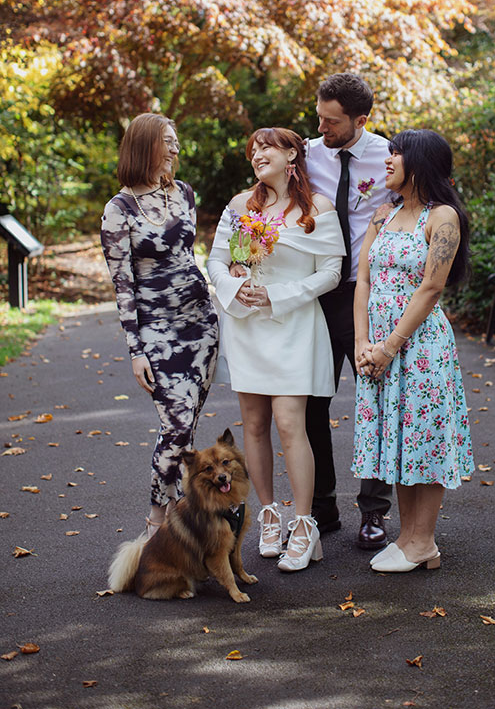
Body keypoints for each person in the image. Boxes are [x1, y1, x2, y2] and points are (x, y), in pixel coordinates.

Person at [207, 128, 344, 573]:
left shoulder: (317, 209)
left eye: (266, 148)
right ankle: (269, 515)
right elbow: (217, 261)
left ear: (291, 154)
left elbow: (331, 272)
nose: (257, 155)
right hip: (248, 326)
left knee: (290, 423)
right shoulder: (239, 206)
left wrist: (279, 296)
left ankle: (305, 527)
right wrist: (236, 285)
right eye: (252, 150)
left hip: (294, 324)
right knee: (253, 423)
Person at [352, 128, 475, 573]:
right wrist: (362, 342)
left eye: (397, 153)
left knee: (424, 439)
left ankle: (423, 540)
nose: (388, 160)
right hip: (380, 345)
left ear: (420, 162)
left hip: (419, 346)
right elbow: (363, 279)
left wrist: (389, 346)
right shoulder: (383, 214)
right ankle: (408, 538)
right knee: (400, 442)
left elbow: (431, 287)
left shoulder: (442, 217)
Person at [101, 114, 219, 538]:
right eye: (167, 142)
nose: (175, 149)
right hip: (157, 331)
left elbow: (190, 256)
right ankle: (156, 521)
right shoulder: (118, 210)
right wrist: (136, 350)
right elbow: (123, 286)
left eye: (176, 141)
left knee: (185, 426)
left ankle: (180, 522)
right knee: (175, 425)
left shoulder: (183, 193)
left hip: (201, 325)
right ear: (145, 145)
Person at [305, 73, 393, 549]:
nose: (321, 127)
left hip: (368, 297)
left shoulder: (390, 156)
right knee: (309, 404)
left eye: (332, 121)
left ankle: (374, 513)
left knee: (373, 403)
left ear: (361, 120)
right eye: (318, 116)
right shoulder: (306, 152)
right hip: (316, 295)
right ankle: (321, 508)